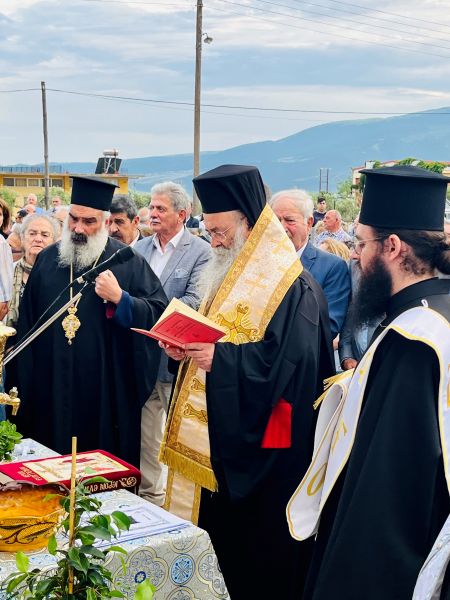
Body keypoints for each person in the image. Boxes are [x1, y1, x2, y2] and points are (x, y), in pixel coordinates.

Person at [160, 164, 334, 600]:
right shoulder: (233, 270)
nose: (212, 241)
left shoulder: (293, 287)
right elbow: (219, 337)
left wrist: (221, 360)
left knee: (259, 562)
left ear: (249, 226)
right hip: (227, 443)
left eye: (219, 231)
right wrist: (186, 352)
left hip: (270, 448)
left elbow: (292, 366)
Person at [287, 165, 450, 600]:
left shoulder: (414, 339)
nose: (355, 256)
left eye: (361, 244)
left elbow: (387, 489)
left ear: (392, 247)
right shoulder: (441, 310)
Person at [7, 176, 167, 467]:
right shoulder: (47, 261)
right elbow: (28, 325)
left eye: (88, 221)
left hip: (104, 390)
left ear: (105, 222)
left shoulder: (127, 261)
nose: (79, 228)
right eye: (74, 219)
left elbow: (159, 313)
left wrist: (123, 300)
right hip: (50, 386)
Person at [135, 182, 211, 506]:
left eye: (160, 208)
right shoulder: (138, 250)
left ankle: (178, 503)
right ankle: (148, 498)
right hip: (140, 357)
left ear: (182, 214)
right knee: (146, 432)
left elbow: (195, 299)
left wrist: (151, 316)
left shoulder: (201, 251)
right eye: (151, 207)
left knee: (178, 434)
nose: (153, 214)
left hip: (175, 356)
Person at [271, 189, 350, 339]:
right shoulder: (261, 263)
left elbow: (329, 326)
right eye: (276, 220)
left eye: (289, 220)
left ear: (309, 223)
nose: (281, 227)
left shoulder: (332, 267)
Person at [7, 214, 59, 329]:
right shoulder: (7, 272)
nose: (38, 239)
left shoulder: (59, 277)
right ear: (22, 238)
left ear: (54, 242)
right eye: (32, 233)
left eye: (45, 235)